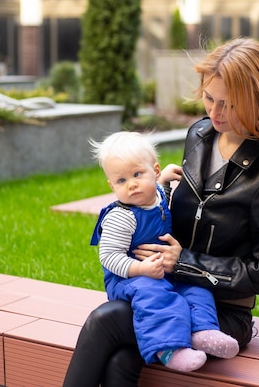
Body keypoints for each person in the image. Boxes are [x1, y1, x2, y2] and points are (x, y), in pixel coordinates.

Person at [62, 37, 259, 387]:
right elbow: (192, 210)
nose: (214, 113)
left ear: (256, 100)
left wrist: (185, 262)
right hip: (166, 291)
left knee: (106, 320)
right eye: (209, 98)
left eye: (229, 105)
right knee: (121, 360)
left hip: (219, 310)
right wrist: (158, 190)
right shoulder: (201, 134)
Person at [88, 131, 239, 373]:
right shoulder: (121, 216)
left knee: (196, 287)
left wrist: (164, 180)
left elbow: (158, 195)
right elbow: (109, 256)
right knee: (157, 296)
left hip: (163, 271)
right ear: (111, 184)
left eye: (138, 174)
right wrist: (140, 269)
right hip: (130, 280)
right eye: (122, 181)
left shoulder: (156, 194)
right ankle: (169, 348)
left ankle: (203, 331)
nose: (132, 184)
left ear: (154, 171)